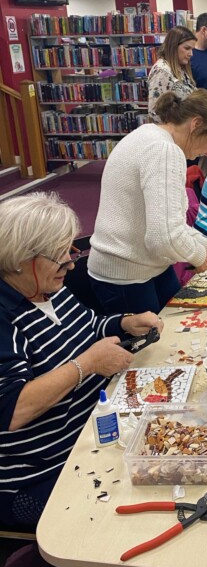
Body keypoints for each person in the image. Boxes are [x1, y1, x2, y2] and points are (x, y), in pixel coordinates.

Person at [0, 192, 162, 531]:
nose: (71, 264)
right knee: (135, 517)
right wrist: (85, 365)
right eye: (59, 256)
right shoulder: (6, 317)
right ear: (18, 257)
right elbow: (12, 410)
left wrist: (123, 322)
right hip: (38, 472)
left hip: (93, 434)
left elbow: (87, 325)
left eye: (69, 251)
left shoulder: (48, 287)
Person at [89, 91, 207, 314]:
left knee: (178, 320)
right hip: (127, 274)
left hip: (141, 266)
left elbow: (172, 226)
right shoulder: (164, 150)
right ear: (196, 124)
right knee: (159, 343)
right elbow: (164, 237)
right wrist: (200, 257)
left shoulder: (150, 135)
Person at [147, 25, 197, 121]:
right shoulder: (162, 71)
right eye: (187, 48)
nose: (191, 54)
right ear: (173, 46)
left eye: (192, 49)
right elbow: (155, 112)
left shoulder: (180, 69)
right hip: (170, 131)